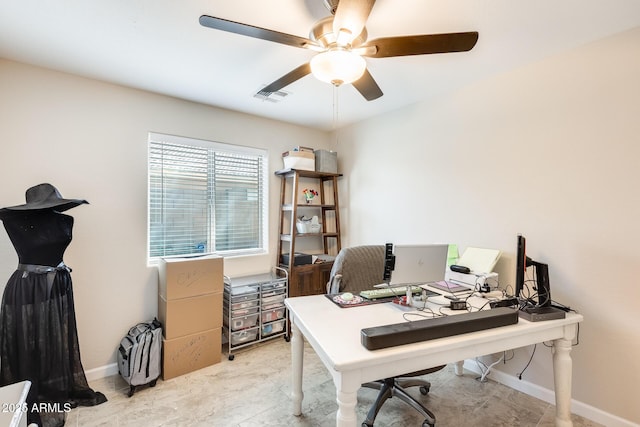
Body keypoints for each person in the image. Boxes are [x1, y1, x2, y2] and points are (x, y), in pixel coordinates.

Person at [0, 183, 106, 427]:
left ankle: (52, 389)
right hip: (26, 287)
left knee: (55, 338)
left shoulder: (65, 221)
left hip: (57, 283)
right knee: (26, 341)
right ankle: (28, 397)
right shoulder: (13, 223)